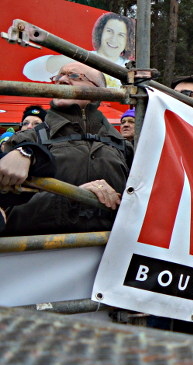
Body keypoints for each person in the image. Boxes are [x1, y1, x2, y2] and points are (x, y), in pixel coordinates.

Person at [0, 62, 130, 235]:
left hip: (113, 257)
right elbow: (7, 216)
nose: (62, 80)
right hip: (44, 257)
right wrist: (75, 197)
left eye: (74, 76)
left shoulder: (124, 147)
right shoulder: (25, 141)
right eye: (59, 76)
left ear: (98, 91)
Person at [23, 13, 135, 88]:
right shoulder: (81, 57)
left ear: (127, 40)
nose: (113, 39)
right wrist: (74, 58)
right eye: (109, 31)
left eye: (121, 35)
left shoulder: (133, 69)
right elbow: (30, 70)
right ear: (100, 33)